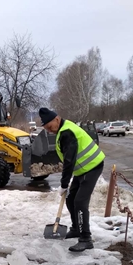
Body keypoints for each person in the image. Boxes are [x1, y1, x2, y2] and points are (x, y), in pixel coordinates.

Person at [39, 108, 105, 252]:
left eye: (50, 127)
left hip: (92, 166)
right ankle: (76, 229)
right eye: (46, 129)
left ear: (56, 119)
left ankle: (86, 238)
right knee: (70, 199)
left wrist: (63, 184)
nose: (49, 131)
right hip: (82, 169)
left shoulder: (67, 133)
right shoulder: (62, 129)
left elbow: (69, 161)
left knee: (80, 201)